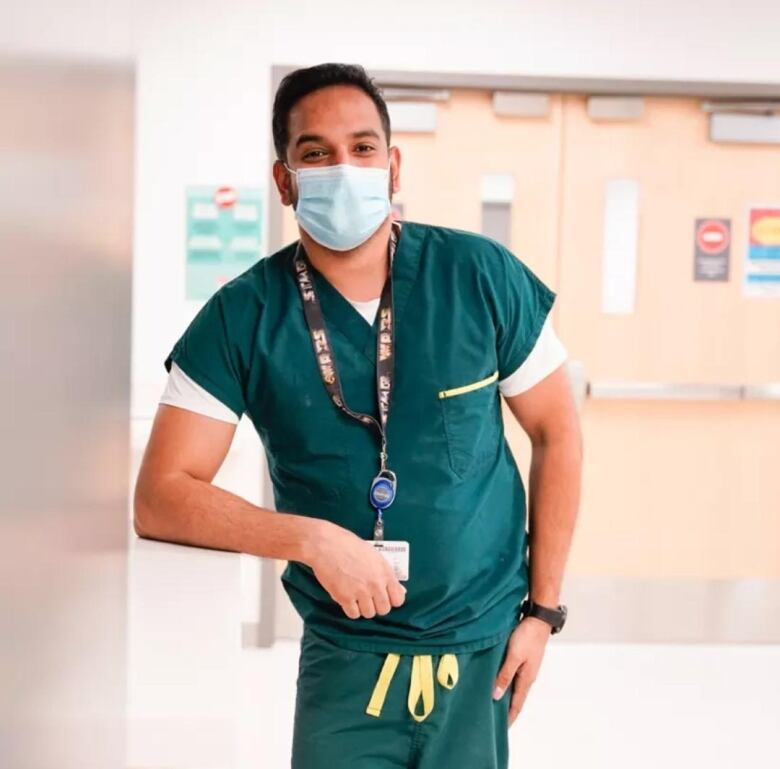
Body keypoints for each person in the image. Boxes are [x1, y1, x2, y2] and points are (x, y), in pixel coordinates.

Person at [134, 62, 583, 769]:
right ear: (284, 180)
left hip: (479, 653)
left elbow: (558, 432)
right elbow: (161, 495)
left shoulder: (480, 278)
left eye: (363, 148)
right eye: (315, 153)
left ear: (393, 164)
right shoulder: (242, 316)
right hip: (347, 661)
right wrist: (310, 539)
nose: (343, 168)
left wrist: (542, 613)